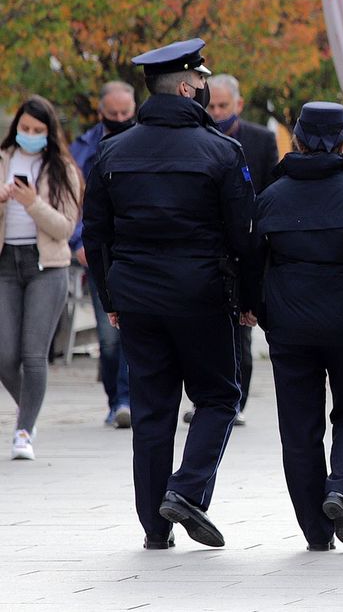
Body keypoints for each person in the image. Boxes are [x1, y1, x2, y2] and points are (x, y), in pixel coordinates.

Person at [82, 38, 257, 549]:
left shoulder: (113, 151)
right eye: (201, 81)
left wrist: (111, 297)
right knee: (220, 396)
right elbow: (243, 235)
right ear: (186, 86)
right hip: (203, 296)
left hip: (137, 299)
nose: (205, 88)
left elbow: (97, 234)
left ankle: (155, 529)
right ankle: (185, 490)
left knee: (154, 410)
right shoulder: (222, 150)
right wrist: (250, 300)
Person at [254, 102, 343, 551]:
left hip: (289, 325)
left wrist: (260, 311)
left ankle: (315, 530)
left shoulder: (271, 196)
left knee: (299, 429)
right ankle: (341, 486)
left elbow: (251, 261)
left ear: (298, 139)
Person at [183, 74, 279, 427]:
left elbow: (269, 191)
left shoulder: (261, 139)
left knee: (242, 328)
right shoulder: (196, 140)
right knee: (202, 329)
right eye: (212, 106)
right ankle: (204, 397)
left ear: (238, 105)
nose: (218, 112)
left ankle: (236, 398)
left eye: (224, 105)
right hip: (208, 248)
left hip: (247, 247)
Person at [1, 96, 83, 460]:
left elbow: (65, 227)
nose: (29, 136)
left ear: (49, 134)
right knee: (5, 355)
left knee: (33, 355)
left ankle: (23, 431)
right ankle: (29, 411)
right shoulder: (3, 160)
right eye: (25, 129)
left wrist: (32, 202)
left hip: (46, 267)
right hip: (6, 263)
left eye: (37, 131)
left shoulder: (62, 167)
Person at [69, 81, 136, 428]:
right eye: (114, 115)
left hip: (132, 251)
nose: (121, 119)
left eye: (127, 113)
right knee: (109, 338)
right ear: (101, 113)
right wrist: (77, 242)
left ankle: (128, 398)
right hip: (98, 252)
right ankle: (115, 399)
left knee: (133, 333)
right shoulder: (80, 150)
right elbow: (71, 201)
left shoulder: (143, 142)